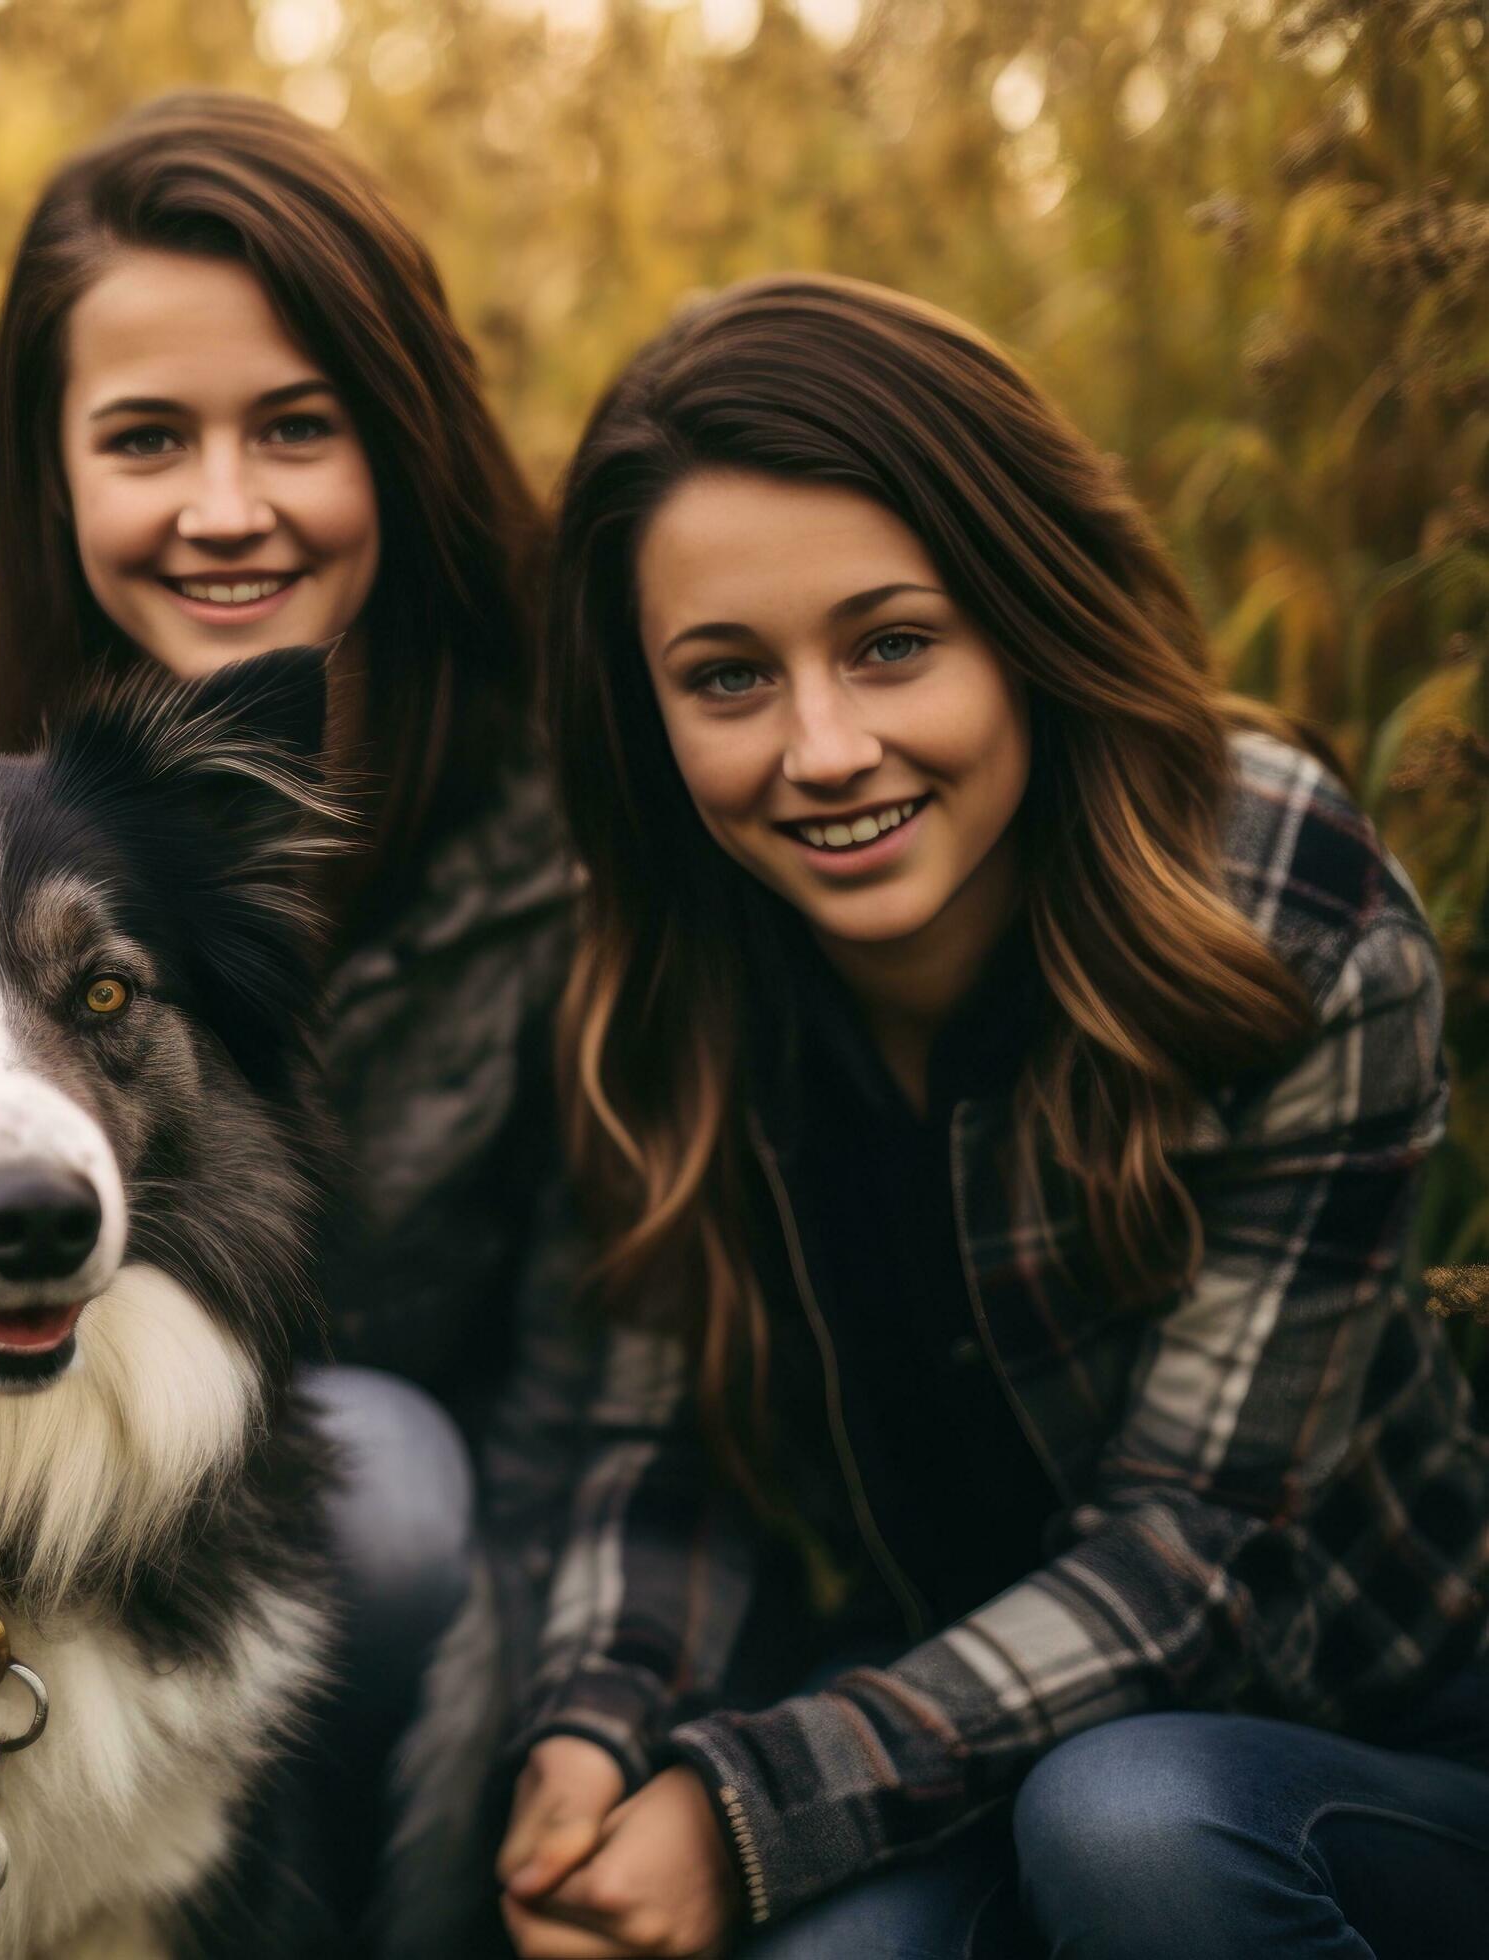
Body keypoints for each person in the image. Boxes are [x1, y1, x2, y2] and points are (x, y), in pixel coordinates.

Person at [496, 273, 1489, 1960]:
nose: (824, 749)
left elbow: (1198, 1566)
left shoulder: (1278, 917)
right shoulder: (662, 970)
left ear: (1025, 613)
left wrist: (750, 1809)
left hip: (1370, 1741)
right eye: (726, 679)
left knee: (1131, 1830)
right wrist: (592, 1736)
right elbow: (652, 1450)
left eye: (894, 644)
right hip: (949, 1718)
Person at [0, 90, 581, 1939]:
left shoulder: (578, 790)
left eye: (294, 426)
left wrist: (611, 1730)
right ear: (56, 473)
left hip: (442, 1539)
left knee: (385, 1487)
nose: (222, 509)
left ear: (402, 434)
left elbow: (608, 1371)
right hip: (32, 1455)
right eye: (144, 438)